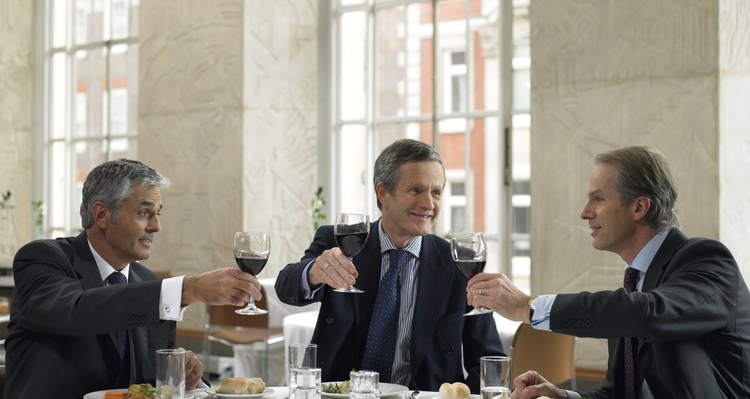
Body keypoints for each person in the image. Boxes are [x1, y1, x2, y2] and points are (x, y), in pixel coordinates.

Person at [467, 146, 750, 399]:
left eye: (598, 199)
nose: (584, 212)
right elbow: (619, 392)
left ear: (639, 207)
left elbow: (649, 314)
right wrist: (561, 395)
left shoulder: (706, 260)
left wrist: (526, 306)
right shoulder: (634, 285)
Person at [4, 159, 262, 398]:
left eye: (158, 213)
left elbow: (148, 383)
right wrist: (188, 288)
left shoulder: (149, 285)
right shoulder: (42, 259)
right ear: (102, 215)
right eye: (144, 213)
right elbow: (75, 311)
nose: (156, 226)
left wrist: (179, 378)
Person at [275, 139, 504, 392]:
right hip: (344, 396)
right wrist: (314, 272)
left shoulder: (459, 263)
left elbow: (488, 361)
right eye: (416, 190)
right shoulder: (339, 241)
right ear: (383, 193)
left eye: (436, 192)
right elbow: (285, 286)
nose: (429, 204)